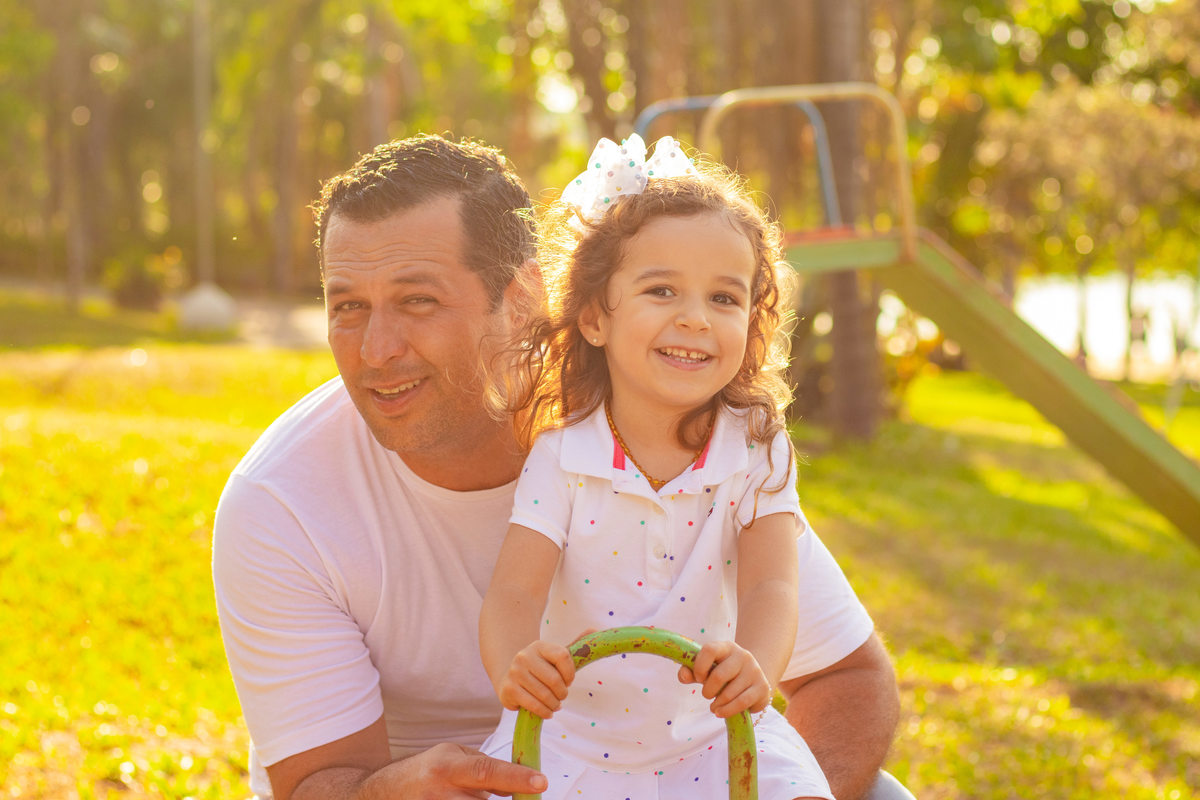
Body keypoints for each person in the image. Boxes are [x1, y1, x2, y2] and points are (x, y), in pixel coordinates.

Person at [211, 133, 909, 800]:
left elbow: (848, 678)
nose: (375, 349)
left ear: (521, 297)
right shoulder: (281, 501)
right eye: (348, 308)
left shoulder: (665, 423)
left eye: (418, 301)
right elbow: (314, 783)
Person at [477, 133, 832, 800]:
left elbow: (772, 588)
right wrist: (515, 667)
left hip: (711, 733)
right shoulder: (564, 455)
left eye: (724, 299)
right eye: (662, 290)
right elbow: (514, 594)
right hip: (570, 736)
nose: (696, 319)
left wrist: (754, 664)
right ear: (592, 317)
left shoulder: (756, 444)